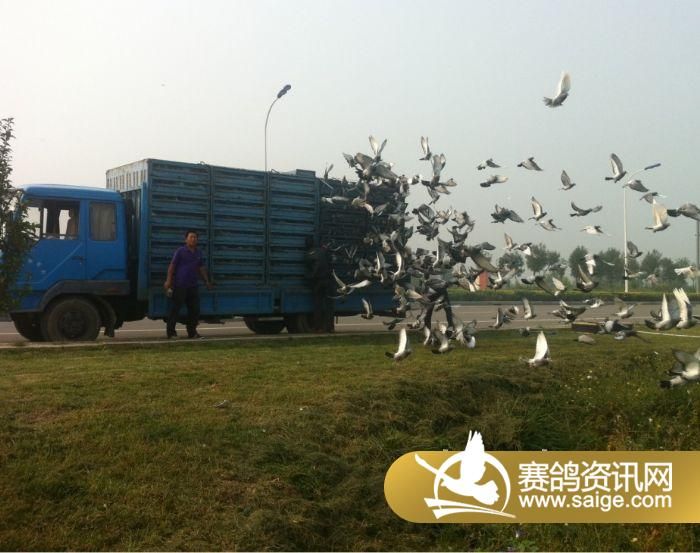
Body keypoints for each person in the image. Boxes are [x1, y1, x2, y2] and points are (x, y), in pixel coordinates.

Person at [163, 230, 212, 339]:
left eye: (195, 237)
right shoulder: (180, 251)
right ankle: (171, 333)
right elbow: (172, 266)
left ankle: (192, 333)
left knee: (195, 310)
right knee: (175, 310)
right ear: (186, 239)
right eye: (191, 237)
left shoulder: (198, 253)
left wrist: (206, 281)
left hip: (193, 286)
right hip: (180, 285)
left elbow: (201, 268)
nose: (193, 239)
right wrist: (168, 281)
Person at [305, 236, 335, 332]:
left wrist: (309, 277)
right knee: (329, 305)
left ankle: (318, 327)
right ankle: (330, 327)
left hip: (317, 282)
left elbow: (309, 269)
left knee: (318, 305)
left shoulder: (307, 255)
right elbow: (330, 262)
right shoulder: (323, 251)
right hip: (328, 281)